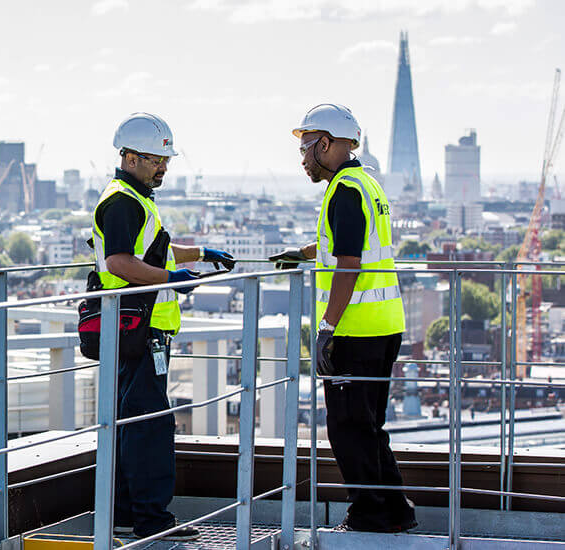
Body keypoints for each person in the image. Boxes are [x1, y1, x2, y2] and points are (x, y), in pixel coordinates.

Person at [269, 103, 417, 533]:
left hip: (356, 331)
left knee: (348, 428)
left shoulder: (345, 190)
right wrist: (305, 252)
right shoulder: (366, 183)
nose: (301, 158)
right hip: (384, 325)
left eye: (306, 147)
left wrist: (326, 330)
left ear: (328, 144)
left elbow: (349, 263)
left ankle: (370, 515)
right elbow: (345, 243)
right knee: (369, 426)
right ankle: (395, 512)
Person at [91, 112, 235, 540]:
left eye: (165, 160)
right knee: (150, 424)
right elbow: (120, 262)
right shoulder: (122, 202)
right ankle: (152, 520)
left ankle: (123, 514)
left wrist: (201, 254)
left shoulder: (135, 200)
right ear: (130, 157)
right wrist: (173, 279)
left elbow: (156, 253)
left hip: (136, 325)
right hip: (140, 327)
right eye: (156, 159)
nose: (163, 167)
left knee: (130, 421)